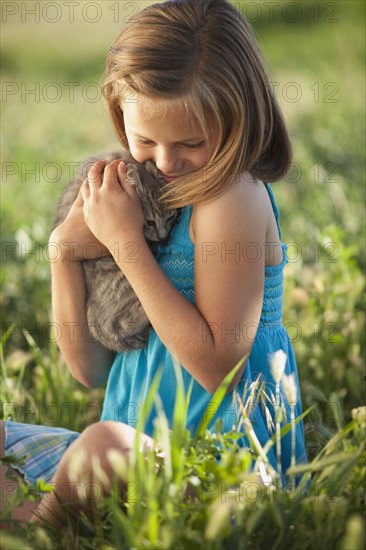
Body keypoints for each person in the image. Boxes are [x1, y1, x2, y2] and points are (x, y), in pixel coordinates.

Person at [0, 0, 307, 528]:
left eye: (192, 142)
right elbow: (90, 372)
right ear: (120, 116)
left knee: (101, 448)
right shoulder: (135, 193)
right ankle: (47, 511)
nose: (165, 163)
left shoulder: (231, 197)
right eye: (145, 141)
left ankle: (37, 528)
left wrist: (126, 246)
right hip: (135, 454)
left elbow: (219, 367)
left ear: (239, 119)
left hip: (220, 474)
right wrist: (64, 252)